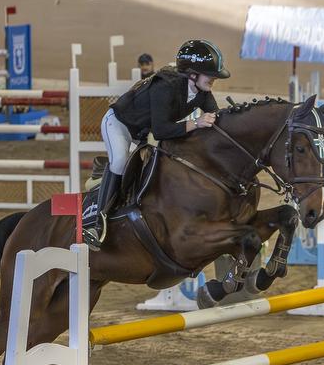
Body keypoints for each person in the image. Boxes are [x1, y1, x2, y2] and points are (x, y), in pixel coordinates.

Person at [83, 40, 229, 250]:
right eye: (210, 74)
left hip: (142, 133)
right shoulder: (165, 87)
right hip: (119, 124)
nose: (214, 78)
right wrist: (196, 123)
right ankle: (98, 224)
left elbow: (216, 117)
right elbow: (161, 131)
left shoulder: (201, 91)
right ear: (192, 74)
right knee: (121, 162)